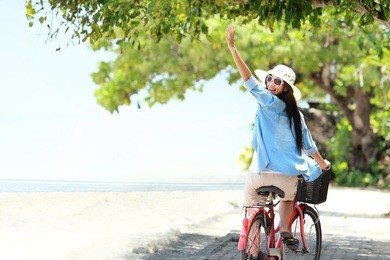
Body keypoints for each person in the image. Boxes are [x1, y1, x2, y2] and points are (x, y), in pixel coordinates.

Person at [226, 25, 331, 257]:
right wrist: (322, 164)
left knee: (252, 208)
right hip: (286, 176)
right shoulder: (297, 114)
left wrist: (233, 49)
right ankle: (283, 230)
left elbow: (248, 80)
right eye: (270, 79)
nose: (271, 83)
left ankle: (253, 250)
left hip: (259, 174)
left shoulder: (267, 102)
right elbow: (309, 146)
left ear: (285, 88)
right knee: (288, 197)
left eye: (277, 81)